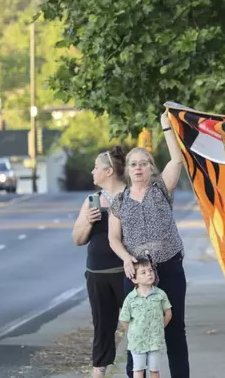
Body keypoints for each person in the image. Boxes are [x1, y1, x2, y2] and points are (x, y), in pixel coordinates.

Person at [109, 110, 190, 378]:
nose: (138, 167)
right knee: (137, 331)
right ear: (128, 170)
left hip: (168, 266)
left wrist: (167, 127)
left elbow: (177, 160)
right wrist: (125, 258)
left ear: (151, 168)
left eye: (144, 163)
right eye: (133, 164)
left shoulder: (161, 189)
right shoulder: (118, 201)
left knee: (174, 328)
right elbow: (113, 238)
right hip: (136, 273)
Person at [72, 146, 128, 378]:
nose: (92, 171)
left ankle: (137, 369)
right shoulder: (92, 200)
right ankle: (99, 372)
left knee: (132, 323)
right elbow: (77, 239)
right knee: (103, 327)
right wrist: (87, 221)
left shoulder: (131, 196)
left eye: (96, 167)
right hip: (97, 273)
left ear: (108, 171)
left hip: (126, 271)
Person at [120, 260, 173, 378]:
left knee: (154, 370)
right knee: (138, 370)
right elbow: (124, 319)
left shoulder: (160, 294)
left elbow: (168, 313)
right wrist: (133, 331)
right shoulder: (131, 298)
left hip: (155, 340)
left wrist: (159, 327)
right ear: (134, 279)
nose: (149, 274)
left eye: (150, 271)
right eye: (143, 272)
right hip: (137, 341)